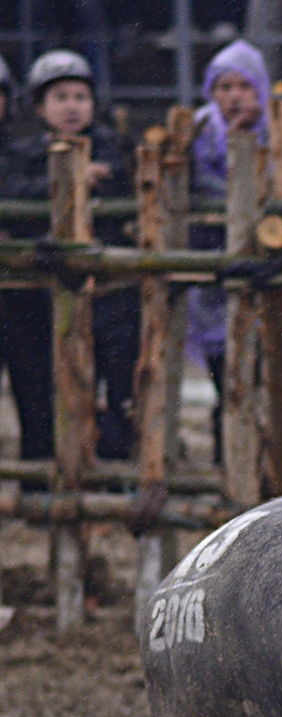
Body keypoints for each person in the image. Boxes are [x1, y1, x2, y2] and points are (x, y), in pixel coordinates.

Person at [0, 52, 138, 465]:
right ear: (40, 108)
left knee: (114, 382)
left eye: (80, 96)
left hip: (108, 291)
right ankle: (41, 464)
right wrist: (69, 177)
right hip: (36, 294)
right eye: (60, 97)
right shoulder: (21, 154)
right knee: (37, 384)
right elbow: (12, 196)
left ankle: (112, 466)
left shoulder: (114, 149)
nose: (71, 106)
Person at [187, 40, 270, 465]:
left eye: (244, 86)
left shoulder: (278, 130)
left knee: (265, 381)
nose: (235, 96)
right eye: (225, 87)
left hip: (268, 274)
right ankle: (228, 465)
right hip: (212, 275)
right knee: (227, 380)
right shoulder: (195, 134)